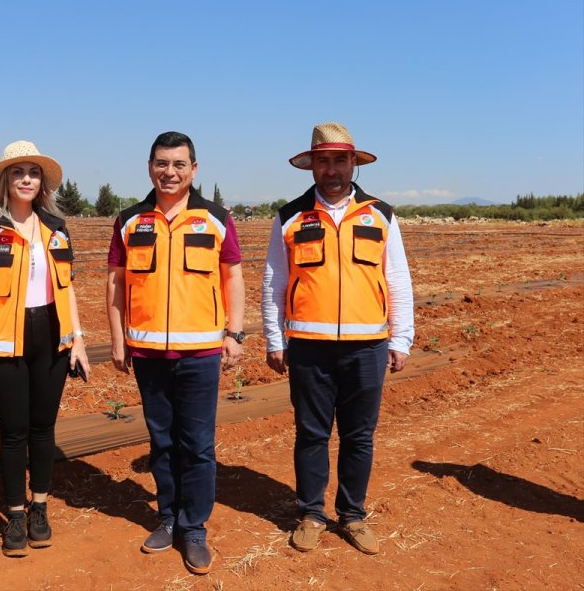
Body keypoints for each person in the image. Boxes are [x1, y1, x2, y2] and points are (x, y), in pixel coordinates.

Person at [261, 122, 414, 556]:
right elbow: (275, 280)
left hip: (368, 344)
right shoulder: (290, 216)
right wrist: (276, 337)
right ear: (311, 166)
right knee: (310, 434)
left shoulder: (380, 214)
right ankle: (310, 513)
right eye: (323, 161)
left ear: (353, 164)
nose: (331, 170)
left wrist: (400, 337)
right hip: (308, 345)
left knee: (359, 436)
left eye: (339, 160)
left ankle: (352, 515)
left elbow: (397, 277)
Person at [106, 131, 245, 575]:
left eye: (179, 165)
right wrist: (117, 338)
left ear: (194, 169)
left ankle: (194, 526)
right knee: (162, 442)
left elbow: (233, 277)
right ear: (150, 167)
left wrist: (235, 333)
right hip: (148, 352)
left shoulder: (216, 219)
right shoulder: (130, 221)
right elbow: (114, 284)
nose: (170, 172)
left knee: (199, 445)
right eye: (162, 164)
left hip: (201, 352)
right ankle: (167, 517)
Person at [0, 140, 90, 557]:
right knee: (13, 432)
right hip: (5, 343)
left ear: (42, 183)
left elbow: (67, 287)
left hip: (51, 336)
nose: (26, 180)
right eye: (18, 173)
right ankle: (15, 515)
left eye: (33, 173)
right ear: (5, 180)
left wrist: (77, 340)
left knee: (43, 429)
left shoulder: (56, 226)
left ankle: (40, 508)